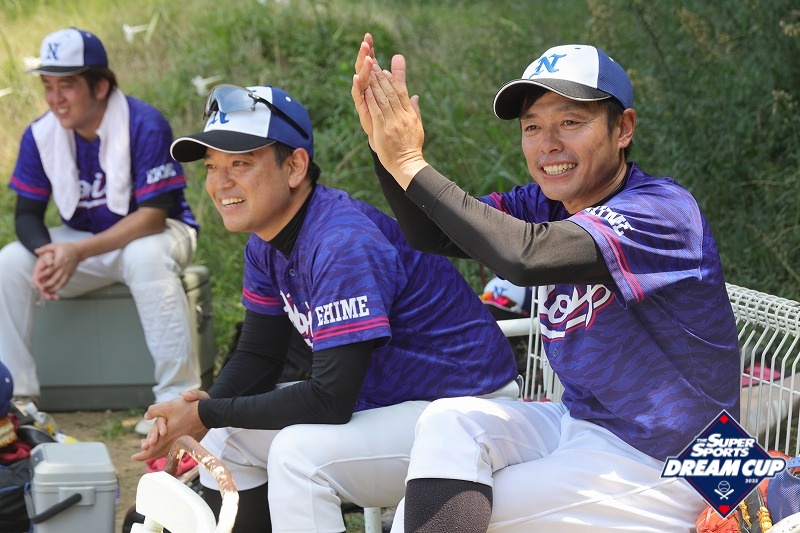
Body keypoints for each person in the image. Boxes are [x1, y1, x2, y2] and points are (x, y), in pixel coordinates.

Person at [352, 35, 740, 532]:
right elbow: (433, 232)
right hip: (586, 423)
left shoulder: (662, 211)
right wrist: (386, 150)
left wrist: (410, 163)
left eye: (571, 122)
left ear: (623, 128)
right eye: (532, 126)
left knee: (433, 514)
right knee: (448, 422)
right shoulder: (548, 204)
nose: (548, 143)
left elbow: (525, 256)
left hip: (686, 459)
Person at [131, 83, 520, 532]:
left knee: (299, 455)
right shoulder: (266, 241)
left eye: (241, 163)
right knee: (226, 438)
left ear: (295, 166)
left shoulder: (340, 242)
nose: (221, 182)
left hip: (466, 411)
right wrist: (202, 411)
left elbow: (330, 400)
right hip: (395, 405)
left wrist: (204, 414)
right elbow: (259, 354)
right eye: (213, 166)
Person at [0, 27, 200, 436]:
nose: (55, 98)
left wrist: (76, 253)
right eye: (48, 86)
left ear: (101, 85)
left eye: (67, 86)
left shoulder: (144, 123)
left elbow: (154, 217)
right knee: (10, 262)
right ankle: (18, 401)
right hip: (90, 245)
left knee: (144, 255)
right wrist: (48, 254)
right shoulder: (41, 134)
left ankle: (176, 399)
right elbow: (27, 215)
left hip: (159, 236)